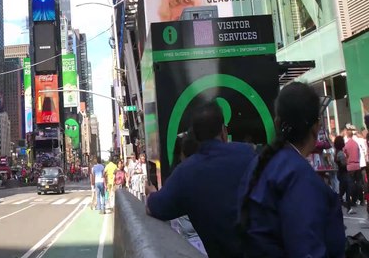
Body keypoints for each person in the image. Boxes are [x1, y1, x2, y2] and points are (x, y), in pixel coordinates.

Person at [238, 82, 345, 257]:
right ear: (317, 126)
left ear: (277, 122)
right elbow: (306, 250)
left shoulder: (261, 164)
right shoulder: (298, 176)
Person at [145, 101, 256, 257]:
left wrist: (152, 193)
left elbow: (154, 206)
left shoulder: (185, 173)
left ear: (195, 136)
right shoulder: (249, 154)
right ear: (224, 132)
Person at [334, 136, 354, 214]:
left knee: (342, 191)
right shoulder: (341, 153)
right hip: (344, 174)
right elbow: (344, 164)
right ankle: (348, 207)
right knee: (348, 190)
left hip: (340, 174)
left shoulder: (337, 152)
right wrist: (347, 158)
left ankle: (343, 205)